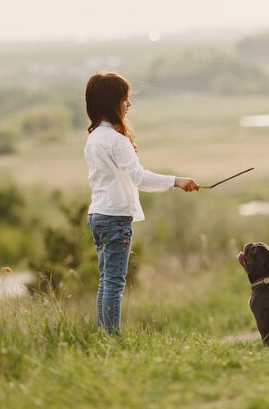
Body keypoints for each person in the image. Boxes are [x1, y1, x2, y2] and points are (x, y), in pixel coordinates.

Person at [84, 72, 199, 334]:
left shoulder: (94, 138)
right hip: (115, 217)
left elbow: (117, 171)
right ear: (112, 102)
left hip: (98, 215)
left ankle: (104, 335)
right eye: (125, 99)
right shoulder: (117, 139)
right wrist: (176, 181)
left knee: (105, 281)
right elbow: (139, 178)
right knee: (114, 283)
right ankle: (111, 339)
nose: (129, 105)